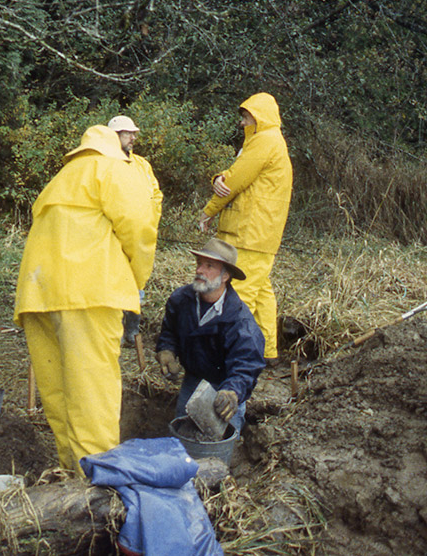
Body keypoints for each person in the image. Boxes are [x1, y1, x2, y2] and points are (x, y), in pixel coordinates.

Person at [14, 125, 157, 472]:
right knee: (93, 395)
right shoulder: (112, 169)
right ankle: (99, 485)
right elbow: (140, 227)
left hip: (37, 297)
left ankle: (72, 475)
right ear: (113, 147)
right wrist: (136, 278)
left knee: (60, 392)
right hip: (89, 295)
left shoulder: (61, 178)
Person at [199, 92, 292, 364]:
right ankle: (267, 352)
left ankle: (234, 358)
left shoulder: (265, 140)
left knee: (242, 296)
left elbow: (235, 181)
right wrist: (218, 177)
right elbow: (232, 174)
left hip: (252, 233)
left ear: (258, 115)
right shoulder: (266, 142)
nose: (242, 122)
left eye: (245, 116)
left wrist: (207, 212)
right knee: (262, 293)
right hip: (258, 234)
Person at [155, 238, 265, 435]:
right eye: (199, 264)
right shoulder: (181, 300)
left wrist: (233, 391)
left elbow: (247, 364)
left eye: (209, 266)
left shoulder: (240, 321)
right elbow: (169, 330)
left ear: (225, 276)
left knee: (219, 447)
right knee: (182, 438)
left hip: (224, 386)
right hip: (194, 380)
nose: (199, 270)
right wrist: (167, 350)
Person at [107, 115, 163, 347]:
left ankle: (132, 331)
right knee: (111, 282)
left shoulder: (142, 164)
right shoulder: (104, 163)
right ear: (114, 136)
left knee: (136, 281)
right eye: (127, 133)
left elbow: (155, 195)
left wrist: (147, 220)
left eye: (133, 133)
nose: (133, 137)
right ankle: (112, 331)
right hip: (112, 236)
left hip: (140, 236)